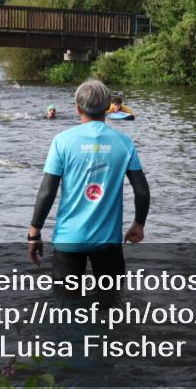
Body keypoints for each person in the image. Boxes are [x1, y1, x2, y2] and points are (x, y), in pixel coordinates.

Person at [28, 80, 150, 289]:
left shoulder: (62, 141)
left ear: (77, 108)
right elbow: (141, 190)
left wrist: (34, 233)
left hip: (69, 238)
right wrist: (139, 224)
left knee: (66, 308)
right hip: (109, 241)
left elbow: (47, 191)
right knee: (111, 306)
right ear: (107, 108)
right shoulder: (124, 141)